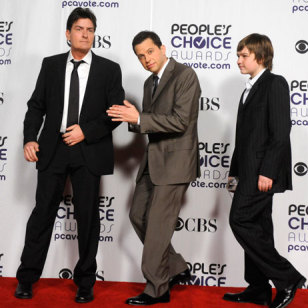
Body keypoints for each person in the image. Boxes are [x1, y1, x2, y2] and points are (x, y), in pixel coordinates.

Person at [14, 7, 124, 303]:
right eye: (79, 29)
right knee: (42, 215)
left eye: (90, 29)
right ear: (67, 34)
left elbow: (115, 114)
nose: (85, 34)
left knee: (87, 219)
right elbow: (36, 105)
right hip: (53, 149)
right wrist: (29, 139)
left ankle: (86, 282)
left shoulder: (109, 69)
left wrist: (85, 132)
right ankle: (26, 278)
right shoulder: (50, 65)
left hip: (89, 150)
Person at [107, 31, 201, 305]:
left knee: (159, 227)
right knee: (138, 216)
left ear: (162, 48)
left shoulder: (185, 75)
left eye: (149, 52)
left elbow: (180, 121)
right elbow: (153, 123)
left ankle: (157, 288)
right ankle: (176, 267)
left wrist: (139, 117)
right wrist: (133, 118)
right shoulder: (150, 83)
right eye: (140, 56)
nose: (146, 59)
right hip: (153, 161)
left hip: (175, 164)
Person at [223, 33, 305, 308]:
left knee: (240, 221)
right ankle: (258, 288)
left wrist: (268, 171)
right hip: (247, 171)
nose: (239, 60)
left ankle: (288, 278)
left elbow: (281, 133)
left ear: (261, 56)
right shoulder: (248, 88)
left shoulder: (274, 84)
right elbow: (245, 137)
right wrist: (234, 172)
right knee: (258, 226)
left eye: (244, 55)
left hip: (262, 172)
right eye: (238, 55)